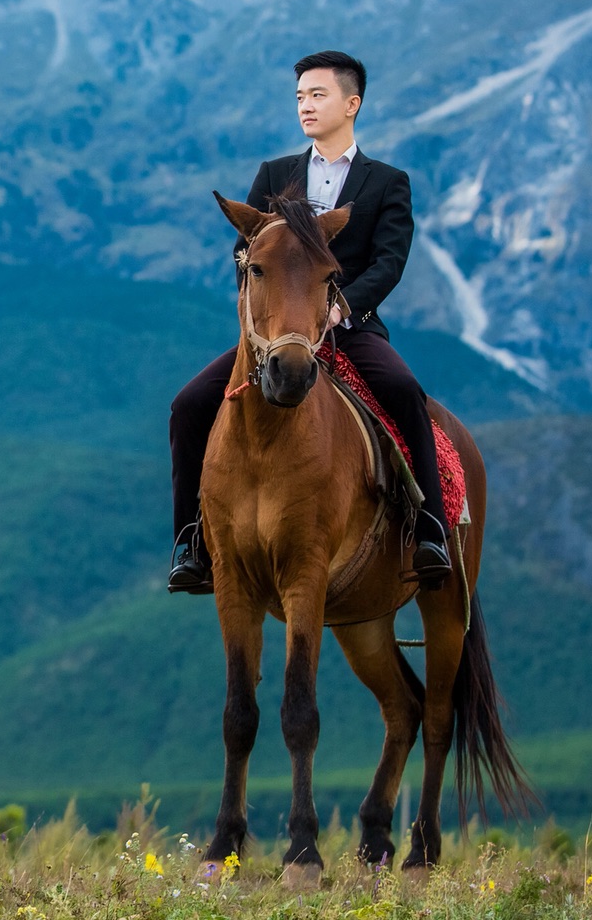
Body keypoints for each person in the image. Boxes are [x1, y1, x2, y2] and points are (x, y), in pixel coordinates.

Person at [167, 49, 452, 595]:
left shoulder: (388, 182)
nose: (305, 106)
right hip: (278, 335)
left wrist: (340, 307)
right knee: (188, 406)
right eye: (300, 96)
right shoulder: (275, 175)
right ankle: (192, 540)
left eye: (317, 95)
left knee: (403, 390)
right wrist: (268, 320)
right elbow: (243, 254)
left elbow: (389, 263)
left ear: (353, 103)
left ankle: (429, 528)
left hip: (351, 328)